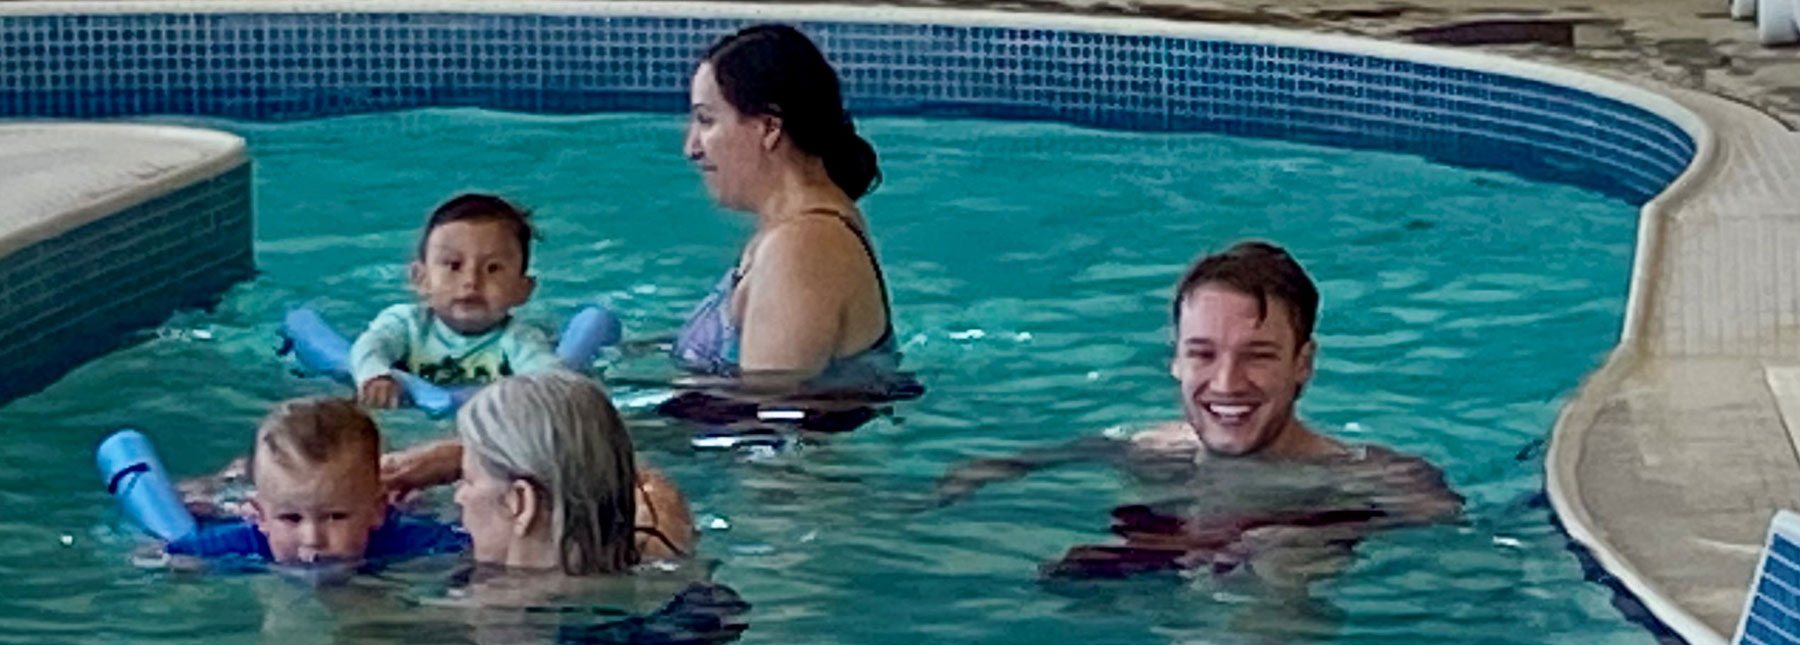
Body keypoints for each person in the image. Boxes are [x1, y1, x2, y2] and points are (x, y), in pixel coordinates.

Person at [937, 240, 1463, 587]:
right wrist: (995, 469)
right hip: (1165, 564)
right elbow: (1075, 450)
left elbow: (1449, 530)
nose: (1227, 384)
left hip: (1279, 582)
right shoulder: (1152, 448)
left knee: (1282, 568)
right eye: (1203, 353)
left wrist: (1324, 534)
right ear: (1175, 359)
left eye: (1258, 355)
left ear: (1303, 364)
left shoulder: (1368, 476)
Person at [672, 24, 899, 391]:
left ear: (768, 127)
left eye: (706, 120)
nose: (692, 147)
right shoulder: (792, 233)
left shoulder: (802, 250)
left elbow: (769, 421)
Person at [382, 371, 696, 564]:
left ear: (520, 503)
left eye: (467, 480)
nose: (458, 496)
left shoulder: (469, 622)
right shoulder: (681, 599)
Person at [164, 398, 466, 566]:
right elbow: (169, 555)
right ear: (260, 516)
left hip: (389, 498)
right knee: (213, 502)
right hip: (245, 499)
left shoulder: (403, 538)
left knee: (416, 502)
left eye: (335, 517)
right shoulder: (248, 542)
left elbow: (468, 549)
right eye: (291, 518)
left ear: (377, 510)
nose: (312, 538)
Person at [352, 193, 563, 408]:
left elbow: (548, 381)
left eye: (493, 268)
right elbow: (371, 345)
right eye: (454, 265)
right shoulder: (406, 323)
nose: (471, 281)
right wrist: (376, 375)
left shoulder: (521, 339)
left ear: (523, 289)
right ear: (421, 278)